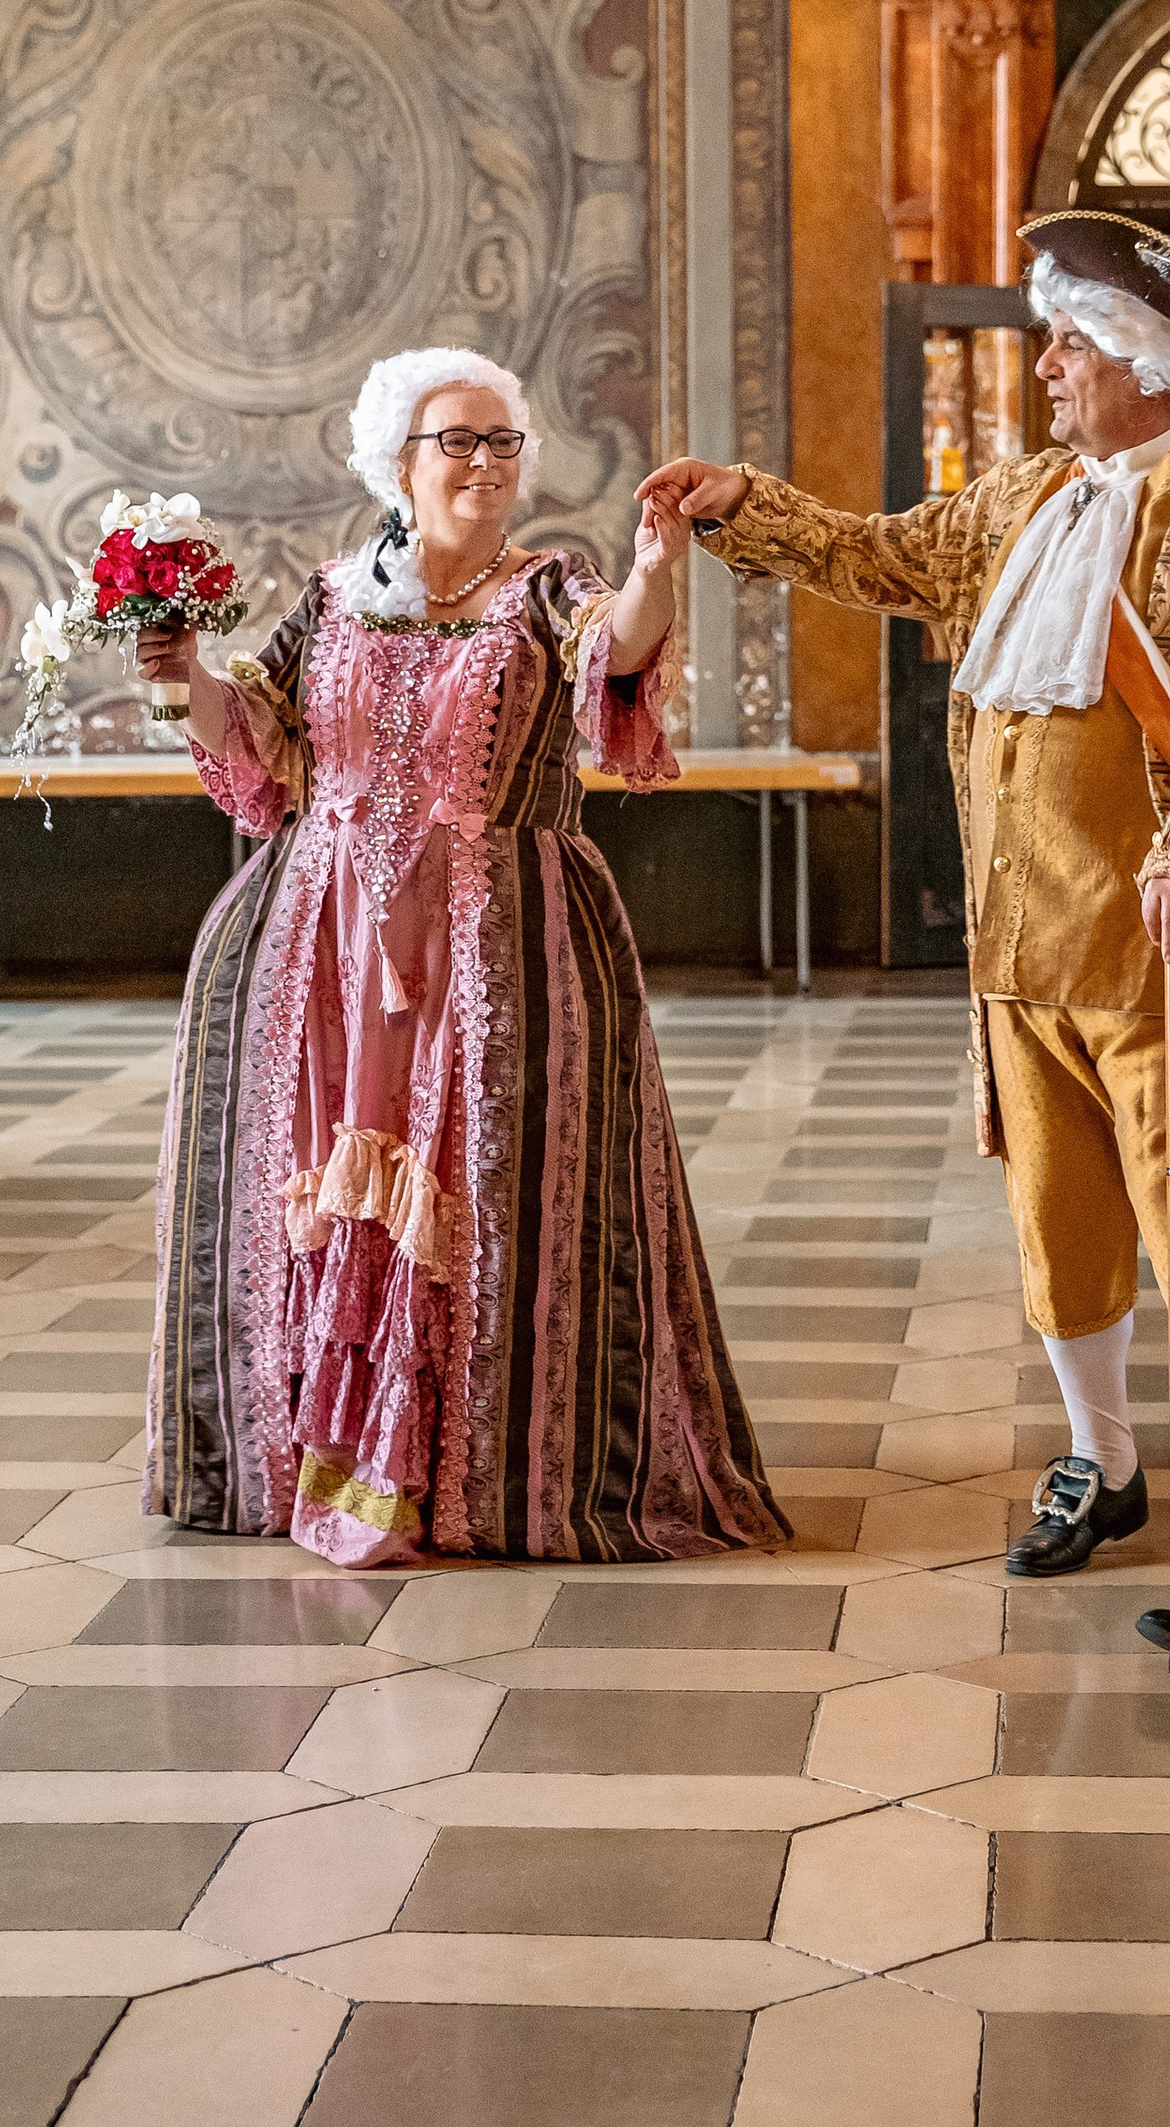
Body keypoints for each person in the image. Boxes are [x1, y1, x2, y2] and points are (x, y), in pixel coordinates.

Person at [643, 215, 1170, 1665]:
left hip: (1169, 958)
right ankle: (1105, 1465)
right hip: (1020, 958)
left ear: (1147, 363)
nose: (1045, 369)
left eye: (1071, 344)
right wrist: (743, 505)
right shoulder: (1029, 496)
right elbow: (881, 558)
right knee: (1060, 1234)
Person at [143, 345, 786, 1566]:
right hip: (326, 947)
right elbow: (259, 744)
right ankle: (312, 1454)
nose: (487, 464)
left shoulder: (547, 588)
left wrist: (658, 573)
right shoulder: (331, 599)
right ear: (399, 461)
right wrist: (183, 681)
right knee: (321, 1185)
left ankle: (483, 1477)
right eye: (461, 442)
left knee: (495, 1187)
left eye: (503, 443)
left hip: (499, 942)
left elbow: (622, 648)